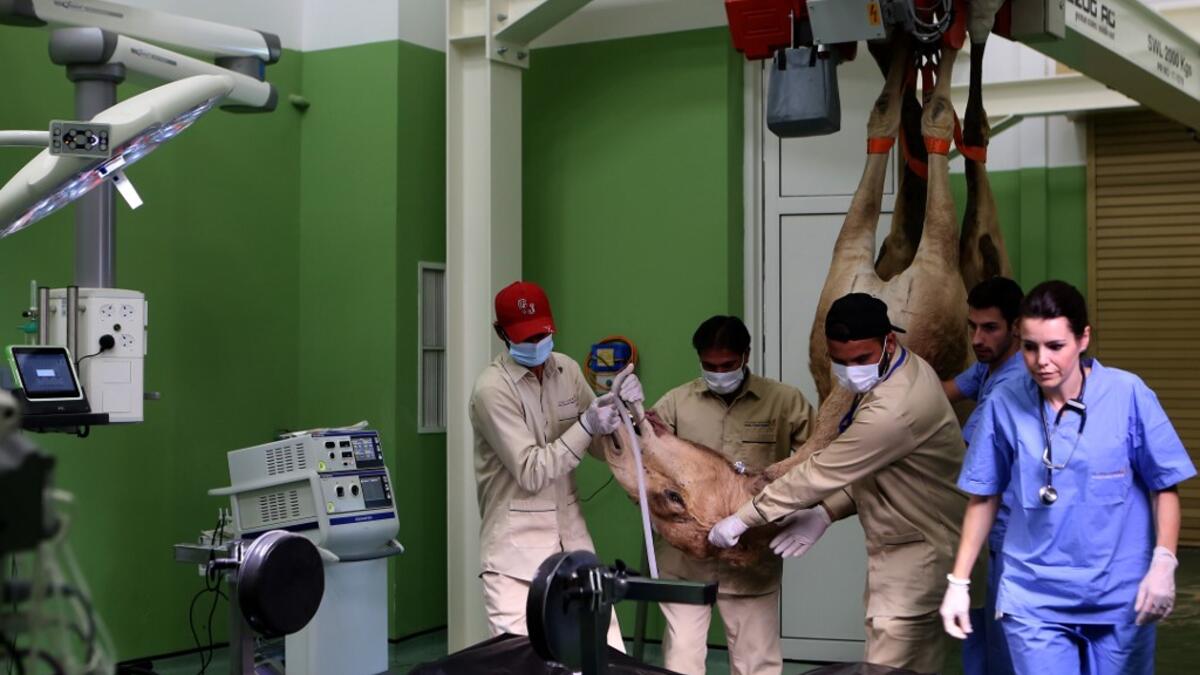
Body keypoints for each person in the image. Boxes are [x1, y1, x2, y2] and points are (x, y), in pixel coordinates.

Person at [940, 280, 1196, 675]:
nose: (1041, 360)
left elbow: (1165, 484)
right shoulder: (1007, 401)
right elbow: (984, 496)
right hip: (1034, 594)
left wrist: (1164, 561)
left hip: (1119, 595)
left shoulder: (1127, 394)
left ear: (1083, 338)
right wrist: (959, 582)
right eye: (1029, 346)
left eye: (1055, 346)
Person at [708, 293, 967, 674]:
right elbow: (882, 471)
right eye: (840, 361)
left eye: (861, 359)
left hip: (921, 557)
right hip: (914, 549)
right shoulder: (900, 369)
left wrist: (743, 518)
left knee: (887, 668)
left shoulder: (896, 407)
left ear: (889, 342)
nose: (850, 372)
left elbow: (822, 471)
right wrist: (827, 512)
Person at [469, 280, 643, 649]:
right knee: (521, 663)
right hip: (516, 560)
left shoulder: (565, 370)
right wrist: (585, 426)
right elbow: (532, 470)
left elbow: (595, 446)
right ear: (501, 333)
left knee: (605, 655)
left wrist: (619, 412)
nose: (537, 346)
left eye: (542, 334)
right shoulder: (492, 390)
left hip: (572, 547)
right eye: (526, 337)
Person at [651, 315, 815, 675]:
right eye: (710, 366)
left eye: (727, 365)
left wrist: (813, 512)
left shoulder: (785, 403)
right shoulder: (676, 404)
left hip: (751, 554)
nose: (719, 372)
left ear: (746, 356)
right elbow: (645, 467)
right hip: (685, 560)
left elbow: (816, 464)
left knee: (757, 662)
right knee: (681, 659)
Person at [942, 277, 1025, 675]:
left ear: (1017, 327)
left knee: (1007, 650)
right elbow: (944, 391)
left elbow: (969, 452)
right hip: (989, 536)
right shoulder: (990, 368)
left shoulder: (1014, 381)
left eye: (989, 328)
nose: (977, 338)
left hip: (1013, 539)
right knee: (980, 642)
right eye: (972, 326)